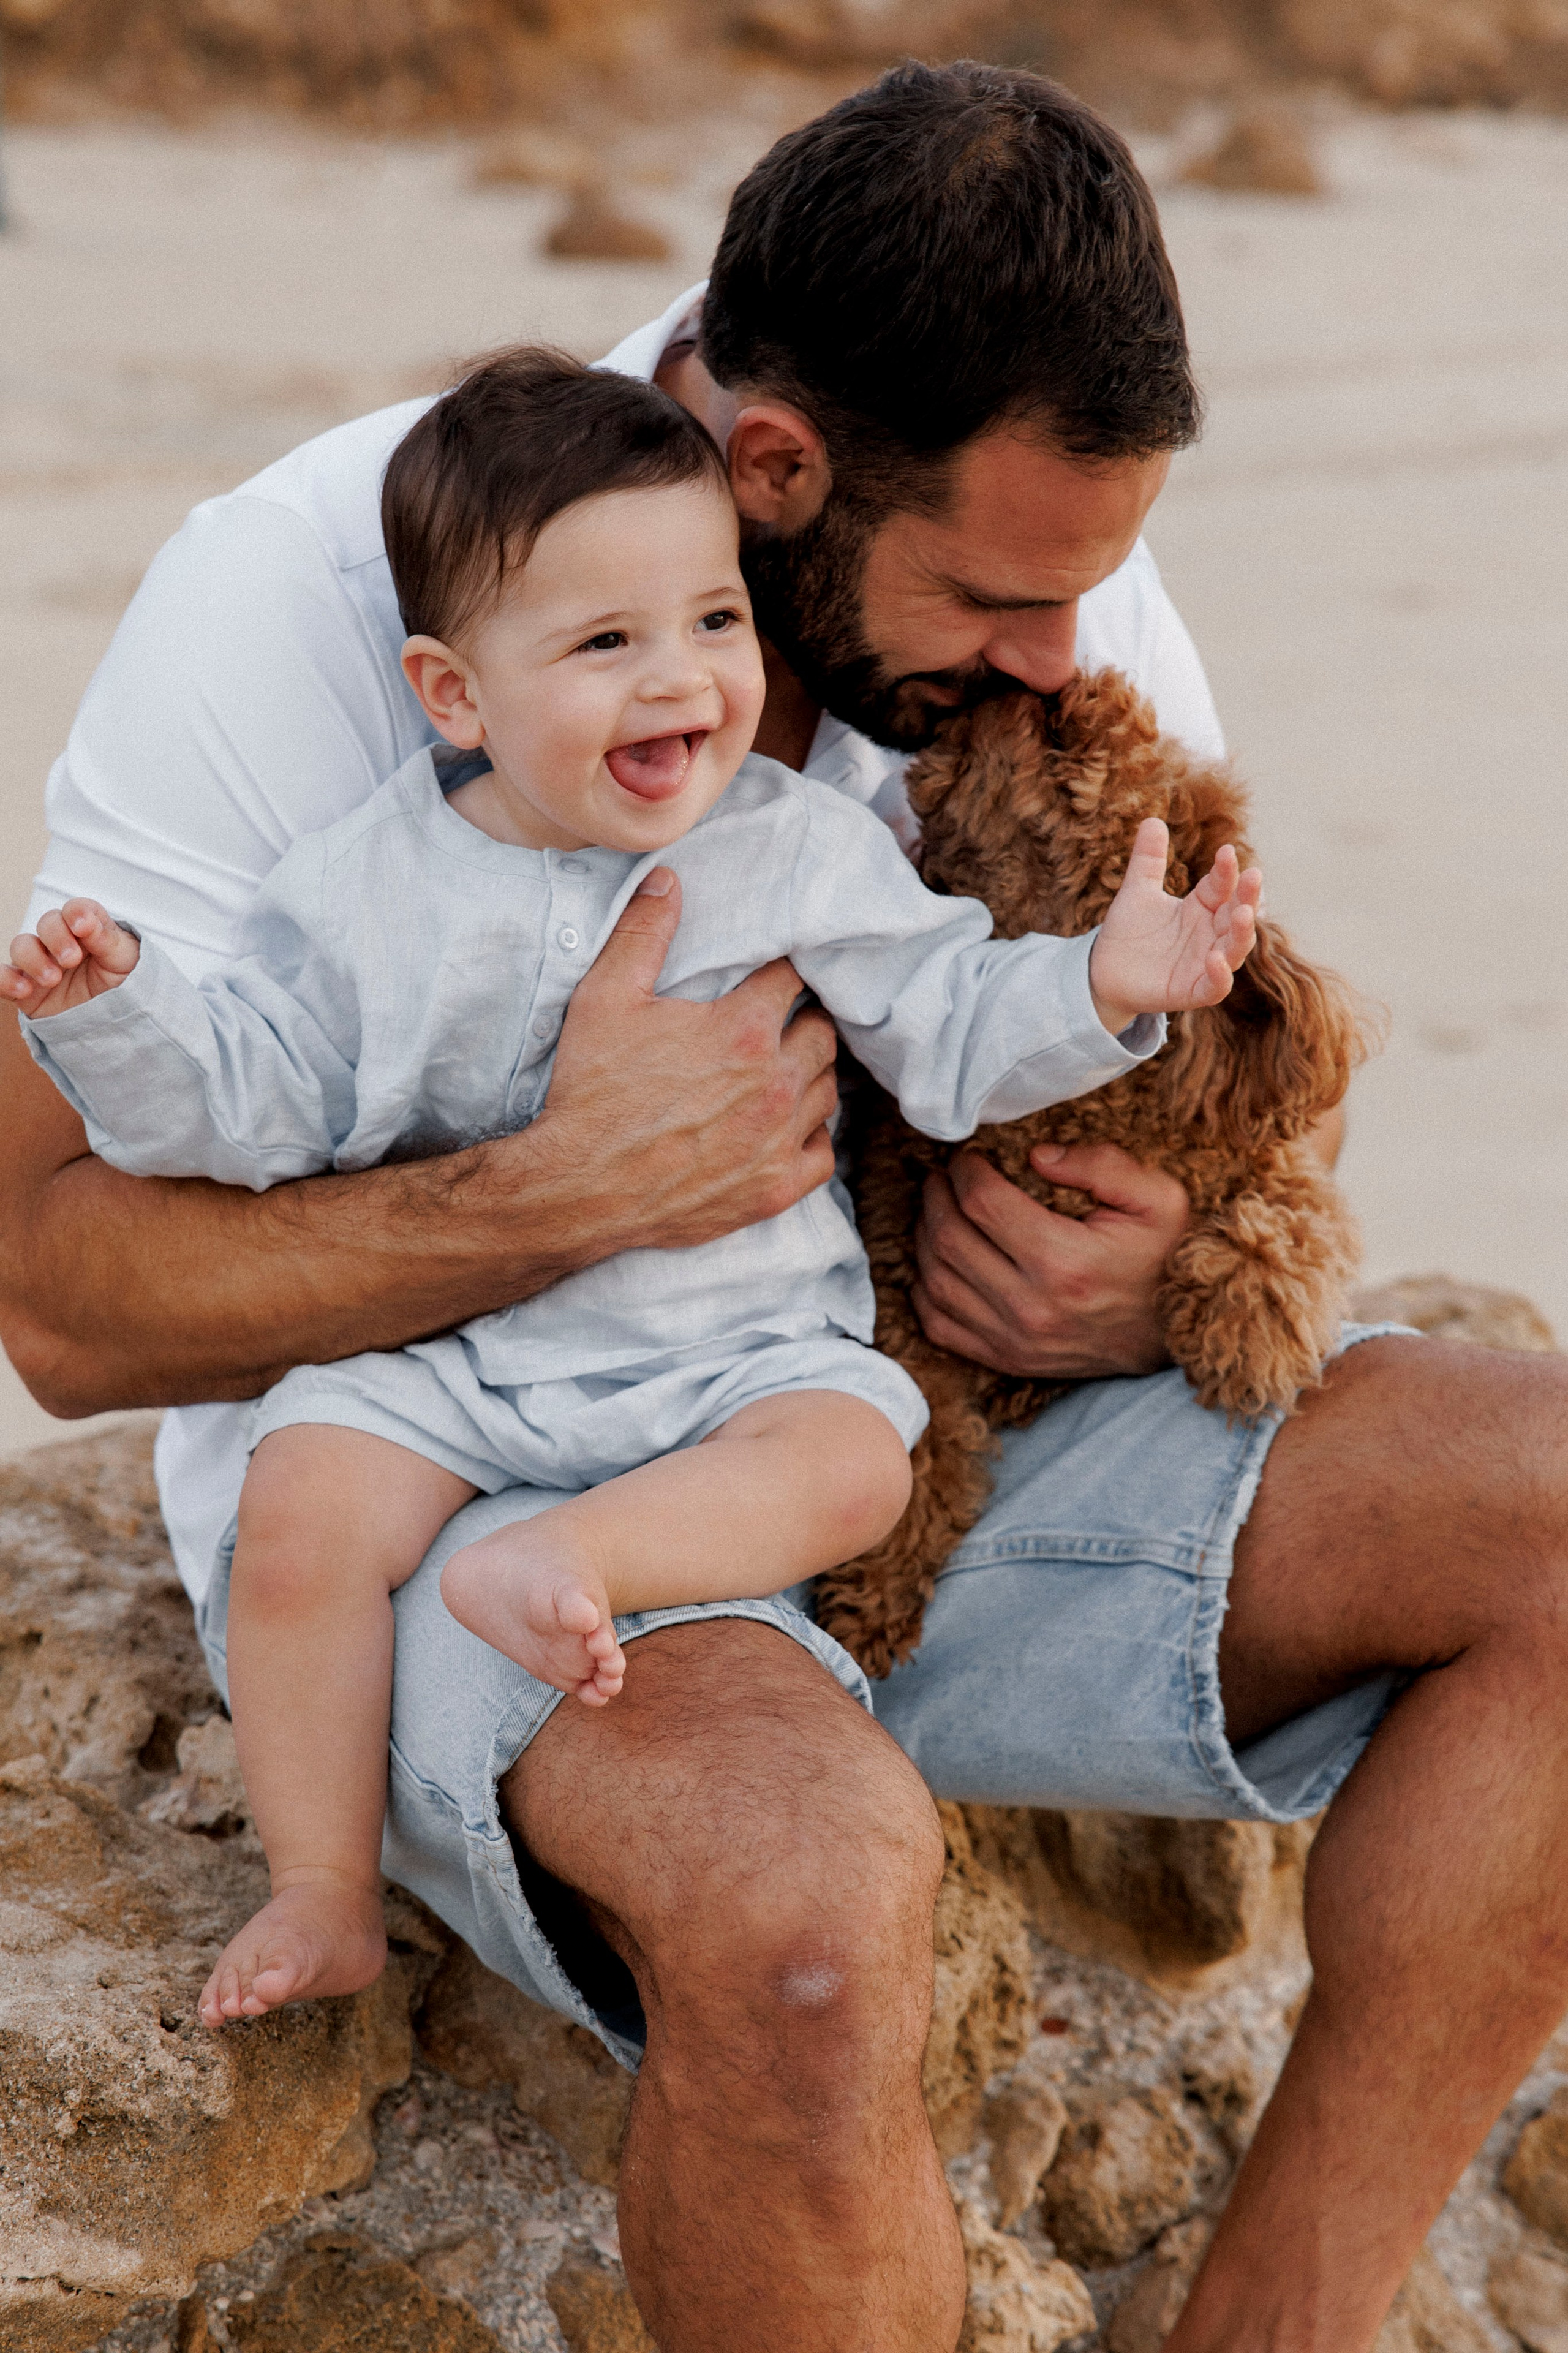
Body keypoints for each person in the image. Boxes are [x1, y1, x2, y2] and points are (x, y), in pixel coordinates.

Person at [4, 57, 1566, 2353]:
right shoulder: (315, 587)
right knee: (811, 1920)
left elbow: (1217, 1071)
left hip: (871, 1421)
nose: (1062, 659)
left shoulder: (1048, 588)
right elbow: (60, 1293)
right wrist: (554, 1193)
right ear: (773, 468)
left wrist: (1138, 1283)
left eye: (1088, 588)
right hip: (485, 1491)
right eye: (1001, 598)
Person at [6, 348, 1262, 2030]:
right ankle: (322, 1888)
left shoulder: (793, 848)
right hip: (462, 1366)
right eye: (604, 645)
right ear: (454, 695)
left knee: (853, 1455)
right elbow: (251, 1104)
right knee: (301, 1507)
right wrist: (121, 1016)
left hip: (735, 1355)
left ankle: (577, 1556)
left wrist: (1106, 981)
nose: (681, 680)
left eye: (716, 620)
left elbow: (951, 1017)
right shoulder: (370, 884)